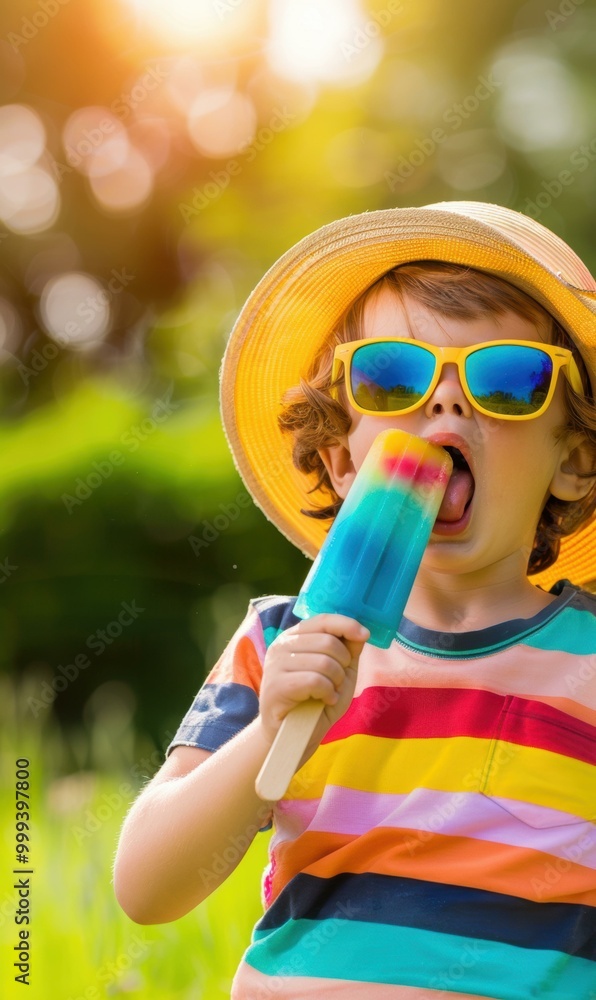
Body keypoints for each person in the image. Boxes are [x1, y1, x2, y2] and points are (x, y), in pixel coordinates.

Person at [113, 202, 596, 999]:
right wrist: (271, 732)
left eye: (508, 380)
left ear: (574, 463)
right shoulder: (280, 643)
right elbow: (147, 887)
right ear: (341, 459)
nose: (446, 402)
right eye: (394, 376)